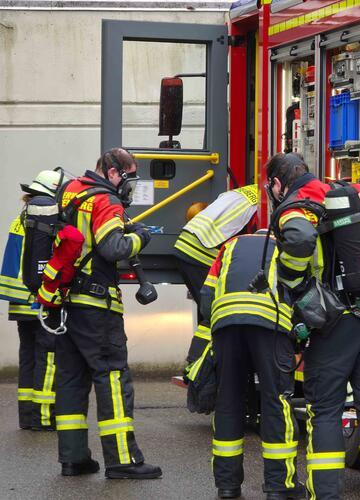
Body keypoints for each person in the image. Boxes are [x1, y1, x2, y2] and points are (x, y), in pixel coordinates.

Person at [268, 153, 360, 500]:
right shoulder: (352, 192)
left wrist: (293, 283)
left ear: (277, 183)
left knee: (326, 410)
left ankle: (327, 494)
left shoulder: (298, 204)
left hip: (331, 325)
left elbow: (298, 240)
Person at [54, 148, 161, 479]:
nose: (129, 186)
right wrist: (139, 237)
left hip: (66, 302)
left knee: (71, 380)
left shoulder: (71, 191)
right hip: (97, 306)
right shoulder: (106, 201)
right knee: (112, 377)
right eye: (128, 177)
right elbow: (113, 248)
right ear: (113, 173)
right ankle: (123, 461)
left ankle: (73, 459)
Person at [199, 229, 301, 499]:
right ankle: (279, 487)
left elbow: (206, 295)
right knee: (275, 401)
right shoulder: (285, 248)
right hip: (270, 326)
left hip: (226, 324)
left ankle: (227, 485)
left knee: (229, 402)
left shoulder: (230, 246)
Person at [0, 170, 63, 431]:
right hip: (34, 296)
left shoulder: (26, 211)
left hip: (17, 297)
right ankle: (44, 416)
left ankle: (27, 416)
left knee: (28, 354)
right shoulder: (44, 209)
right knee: (47, 355)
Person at [174, 184, 259, 371]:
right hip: (201, 252)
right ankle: (198, 367)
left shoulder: (242, 193)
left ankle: (204, 365)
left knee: (209, 309)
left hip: (186, 243)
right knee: (217, 311)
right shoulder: (260, 201)